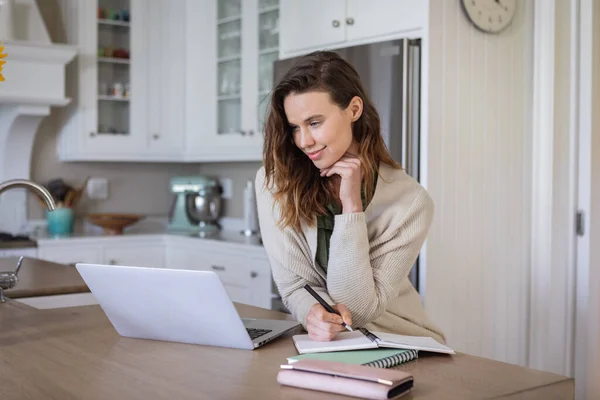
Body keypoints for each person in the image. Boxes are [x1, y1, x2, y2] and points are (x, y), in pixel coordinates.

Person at [255, 51, 445, 344]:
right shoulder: (275, 183)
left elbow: (357, 309)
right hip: (329, 346)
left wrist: (351, 209)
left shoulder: (410, 202)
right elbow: (294, 285)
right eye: (295, 127)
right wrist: (312, 314)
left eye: (315, 122)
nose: (304, 141)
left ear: (354, 109)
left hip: (401, 342)